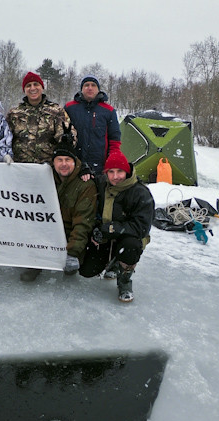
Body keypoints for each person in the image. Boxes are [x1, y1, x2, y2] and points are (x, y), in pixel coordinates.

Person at [79, 148, 154, 302]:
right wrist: (84, 170)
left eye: (119, 171)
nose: (115, 177)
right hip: (105, 239)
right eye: (111, 172)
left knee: (131, 245)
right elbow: (87, 180)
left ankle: (124, 281)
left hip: (127, 238)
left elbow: (141, 227)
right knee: (86, 271)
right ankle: (112, 262)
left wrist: (108, 229)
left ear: (127, 171)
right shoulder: (101, 183)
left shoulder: (141, 193)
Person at [20, 139, 97, 282]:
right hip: (47, 230)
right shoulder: (44, 177)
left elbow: (83, 222)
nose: (63, 164)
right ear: (53, 162)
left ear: (75, 161)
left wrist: (73, 252)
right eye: (59, 160)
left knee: (81, 267)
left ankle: (73, 256)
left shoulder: (85, 185)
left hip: (69, 232)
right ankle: (34, 263)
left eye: (68, 159)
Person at [6, 71, 76, 164]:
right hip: (21, 167)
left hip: (48, 168)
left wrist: (67, 139)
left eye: (36, 84)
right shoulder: (14, 114)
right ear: (24, 90)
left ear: (42, 87)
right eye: (28, 85)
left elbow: (67, 135)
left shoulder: (56, 111)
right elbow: (5, 139)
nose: (32, 88)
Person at [64, 75, 121, 176]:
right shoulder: (70, 108)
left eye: (93, 85)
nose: (90, 88)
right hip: (74, 165)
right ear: (82, 89)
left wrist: (112, 160)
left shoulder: (108, 111)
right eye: (86, 85)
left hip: (99, 167)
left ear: (98, 89)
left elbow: (114, 140)